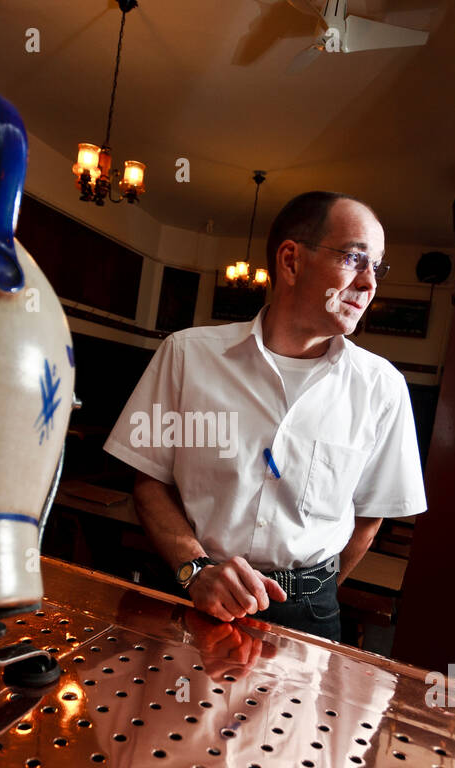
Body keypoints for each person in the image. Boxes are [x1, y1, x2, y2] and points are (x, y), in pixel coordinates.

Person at [103, 191, 426, 644]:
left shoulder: (382, 387)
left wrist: (312, 592)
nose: (370, 282)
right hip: (188, 591)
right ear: (291, 261)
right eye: (356, 259)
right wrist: (196, 571)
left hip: (309, 612)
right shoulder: (187, 354)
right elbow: (148, 481)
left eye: (378, 266)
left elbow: (370, 515)